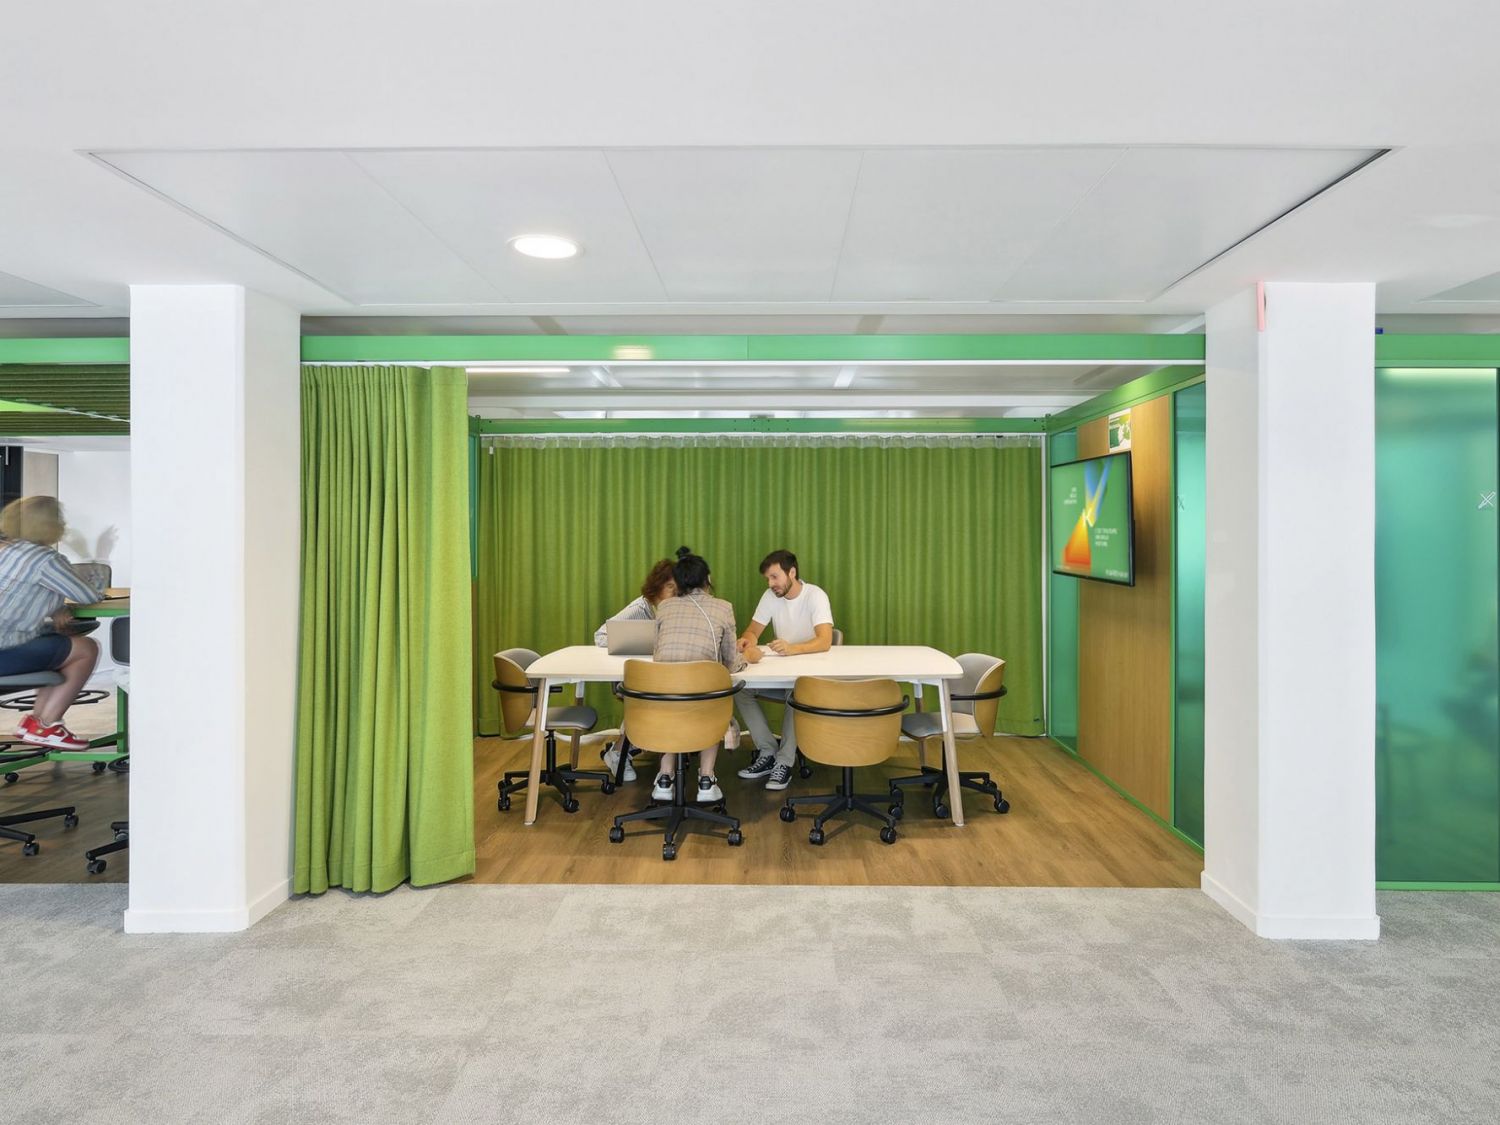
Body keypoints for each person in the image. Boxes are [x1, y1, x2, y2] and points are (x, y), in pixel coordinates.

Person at [647, 546, 758, 803]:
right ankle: (706, 779)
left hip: (664, 700)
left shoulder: (664, 608)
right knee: (713, 700)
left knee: (673, 707)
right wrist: (748, 658)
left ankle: (665, 777)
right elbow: (730, 663)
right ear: (707, 579)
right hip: (704, 704)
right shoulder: (723, 607)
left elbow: (657, 654)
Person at [0, 496, 106, 750]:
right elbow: (88, 596)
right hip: (4, 652)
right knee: (85, 649)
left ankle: (37, 724)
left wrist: (56, 606)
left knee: (60, 646)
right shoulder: (45, 559)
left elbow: (15, 595)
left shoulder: (5, 550)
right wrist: (94, 557)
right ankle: (47, 724)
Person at [734, 548, 834, 791]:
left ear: (792, 573)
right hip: (782, 675)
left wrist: (793, 649)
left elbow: (825, 640)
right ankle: (768, 751)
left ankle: (785, 762)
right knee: (741, 688)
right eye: (768, 579)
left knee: (796, 692)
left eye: (774, 577)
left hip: (810, 679)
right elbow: (753, 631)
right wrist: (747, 642)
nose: (771, 584)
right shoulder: (771, 596)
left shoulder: (815, 596)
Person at [594, 558, 677, 781]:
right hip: (636, 677)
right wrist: (638, 645)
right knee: (656, 701)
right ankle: (619, 751)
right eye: (670, 586)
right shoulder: (640, 608)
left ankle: (629, 748)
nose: (675, 592)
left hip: (660, 674)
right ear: (657, 585)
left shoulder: (674, 609)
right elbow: (600, 636)